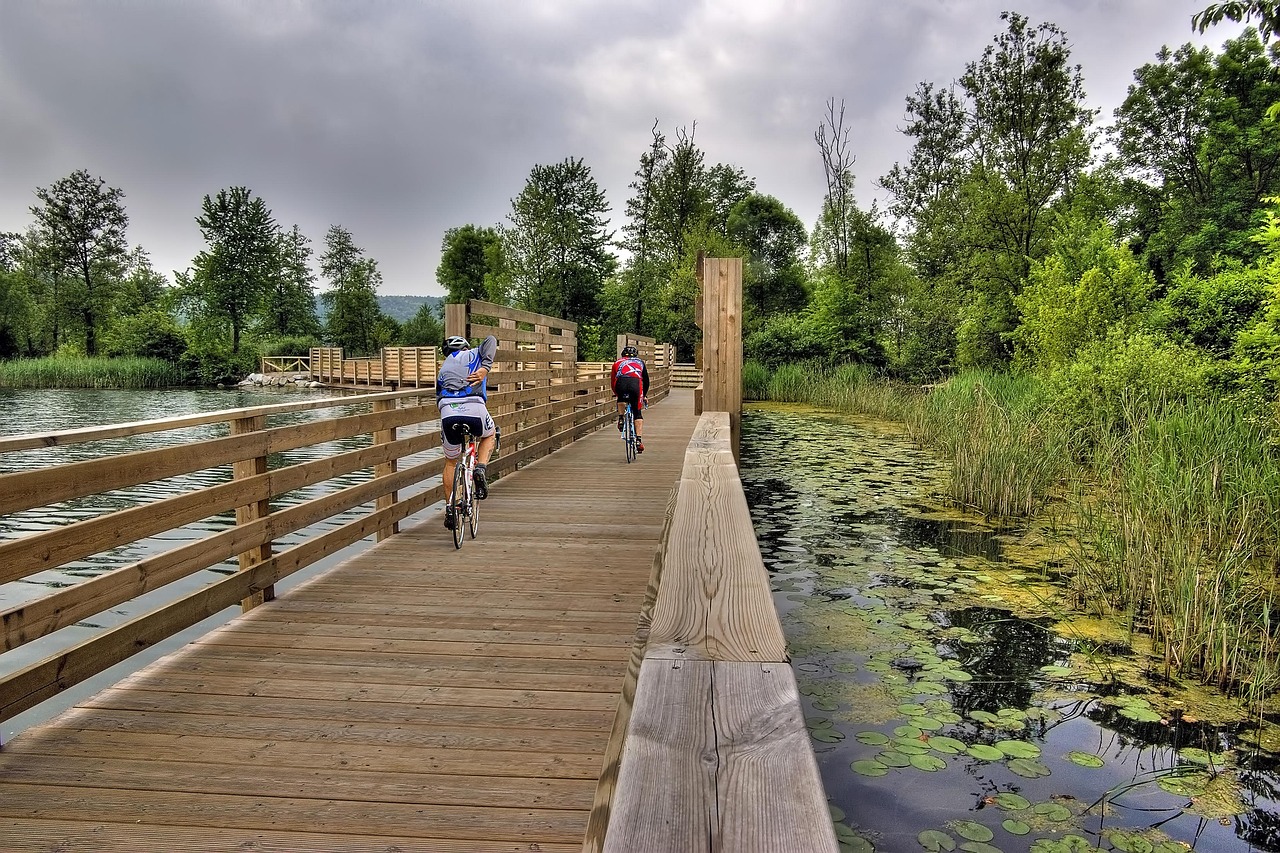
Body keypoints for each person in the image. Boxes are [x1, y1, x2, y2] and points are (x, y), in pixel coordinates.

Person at [437, 334, 498, 530]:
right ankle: (480, 468)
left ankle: (450, 508)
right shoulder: (475, 354)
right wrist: (485, 368)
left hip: (448, 413)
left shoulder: (443, 369)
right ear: (465, 347)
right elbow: (491, 340)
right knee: (490, 434)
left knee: (450, 462)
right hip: (474, 409)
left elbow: (438, 397)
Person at [610, 344, 650, 453]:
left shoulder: (617, 363)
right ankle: (638, 441)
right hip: (635, 385)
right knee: (637, 413)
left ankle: (621, 418)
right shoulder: (640, 362)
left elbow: (613, 381)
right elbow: (646, 381)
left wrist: (616, 393)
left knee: (621, 398)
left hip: (621, 383)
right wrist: (644, 395)